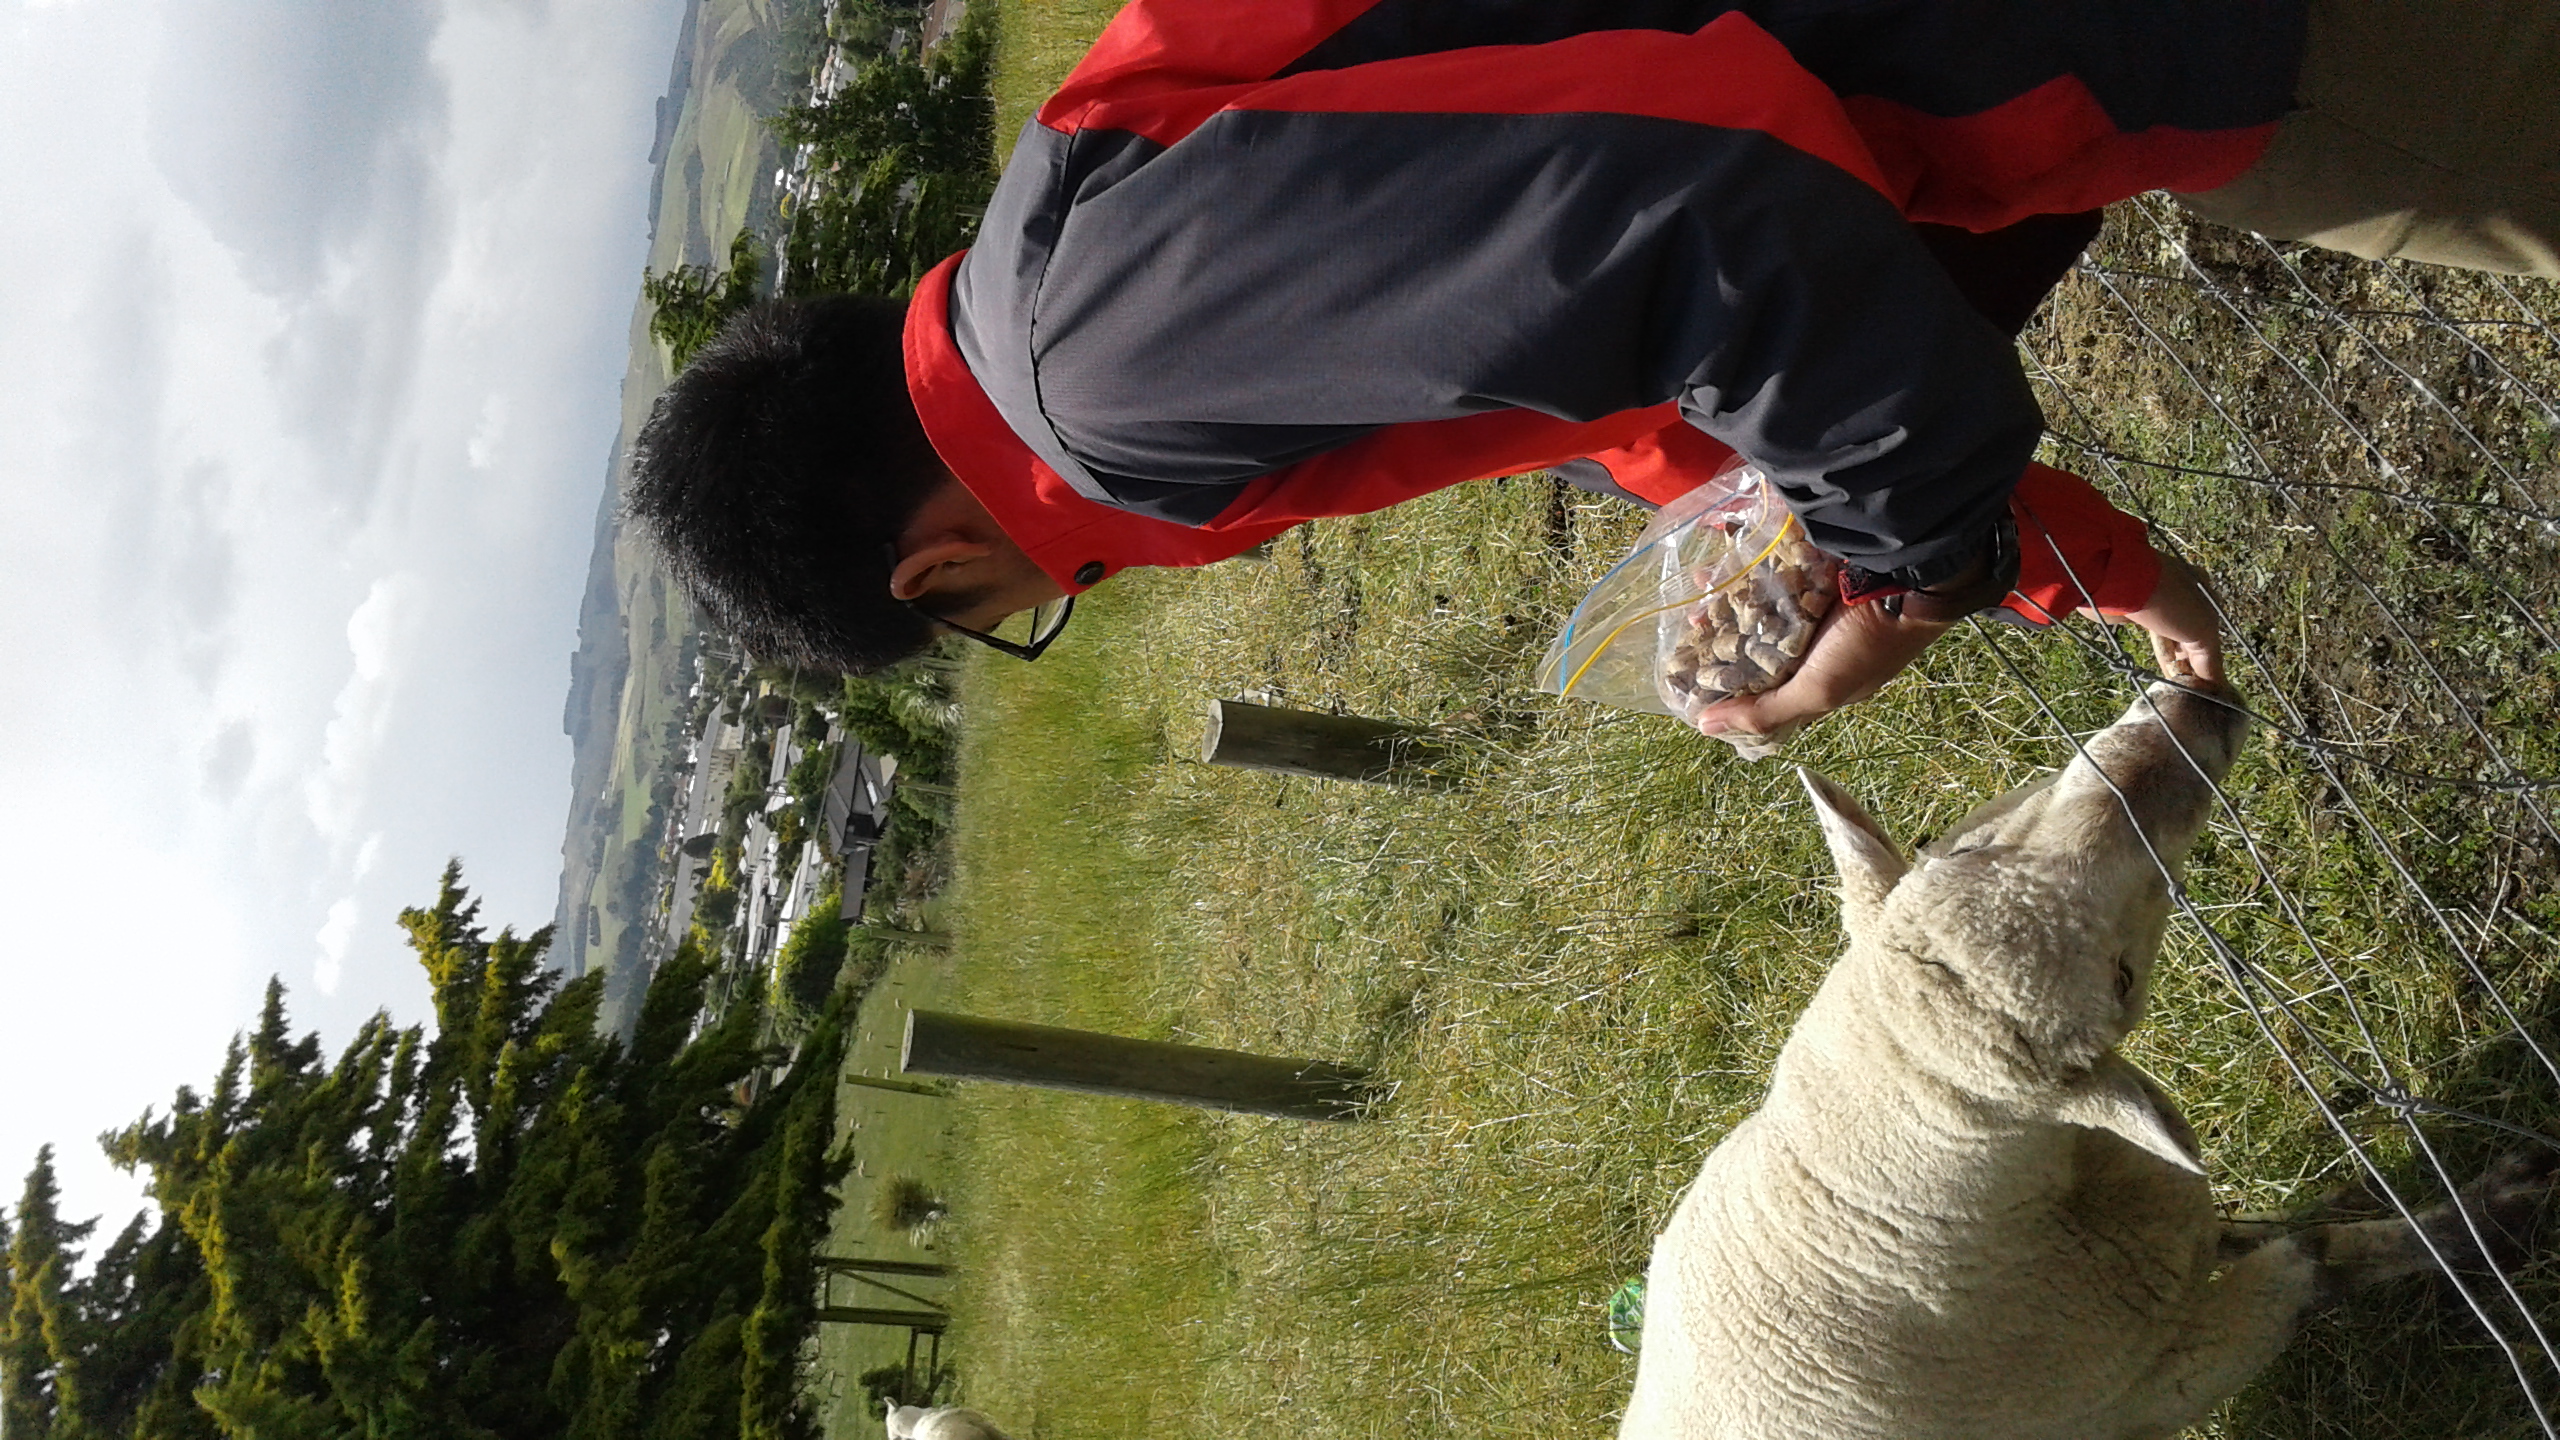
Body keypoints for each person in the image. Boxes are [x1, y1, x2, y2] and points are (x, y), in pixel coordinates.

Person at [627, 0, 2559, 740]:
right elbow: (1650, 397)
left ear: (938, 576)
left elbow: (1704, 212)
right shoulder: (1077, 228)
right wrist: (2087, 559)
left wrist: (1911, 577)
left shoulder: (1111, 372)